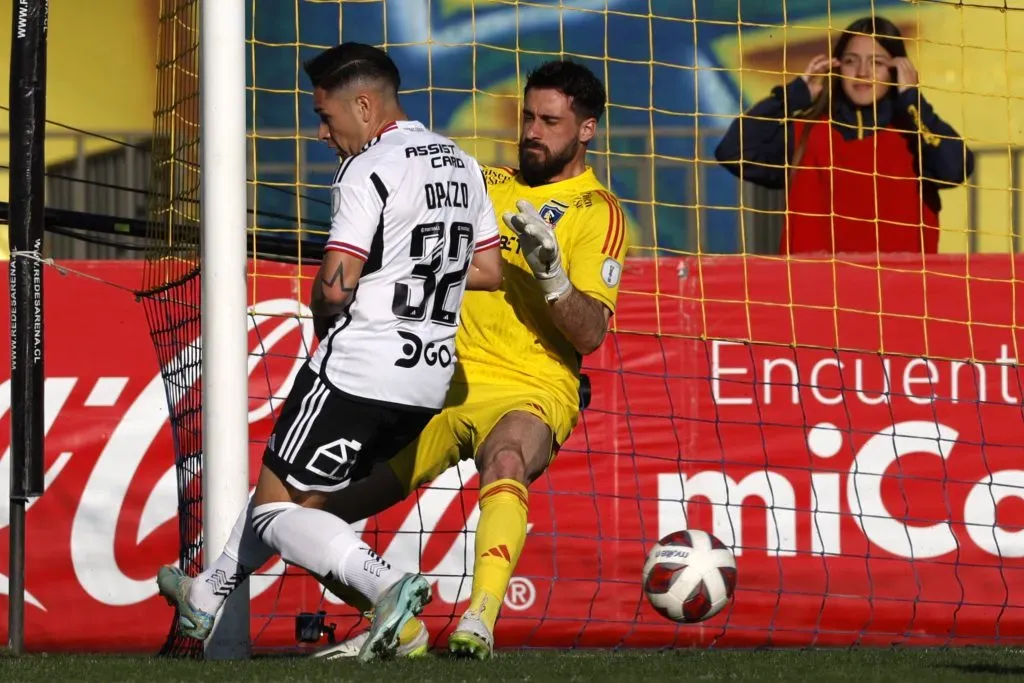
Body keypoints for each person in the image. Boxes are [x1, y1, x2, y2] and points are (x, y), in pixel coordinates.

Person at [156, 42, 503, 662]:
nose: (322, 133)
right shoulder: (464, 164)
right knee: (291, 497)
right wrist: (410, 268)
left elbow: (337, 282)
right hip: (427, 381)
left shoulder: (368, 168)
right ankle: (206, 595)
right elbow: (487, 270)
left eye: (326, 116)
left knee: (274, 512)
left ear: (364, 106)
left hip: (357, 368)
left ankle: (387, 586)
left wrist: (325, 314)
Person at [311, 58, 628, 660]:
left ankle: (479, 619)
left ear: (587, 129)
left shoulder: (598, 212)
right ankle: (398, 622)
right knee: (309, 510)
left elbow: (590, 336)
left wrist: (553, 277)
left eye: (550, 121)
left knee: (507, 459)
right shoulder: (481, 180)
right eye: (528, 117)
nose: (531, 131)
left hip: (530, 383)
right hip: (437, 376)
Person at [714, 15, 974, 255]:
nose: (862, 72)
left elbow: (955, 170)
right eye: (851, 61)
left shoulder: (915, 137)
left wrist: (912, 101)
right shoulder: (806, 134)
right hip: (817, 288)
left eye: (876, 62)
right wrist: (793, 96)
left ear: (897, 70)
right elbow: (733, 151)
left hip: (900, 288)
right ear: (837, 68)